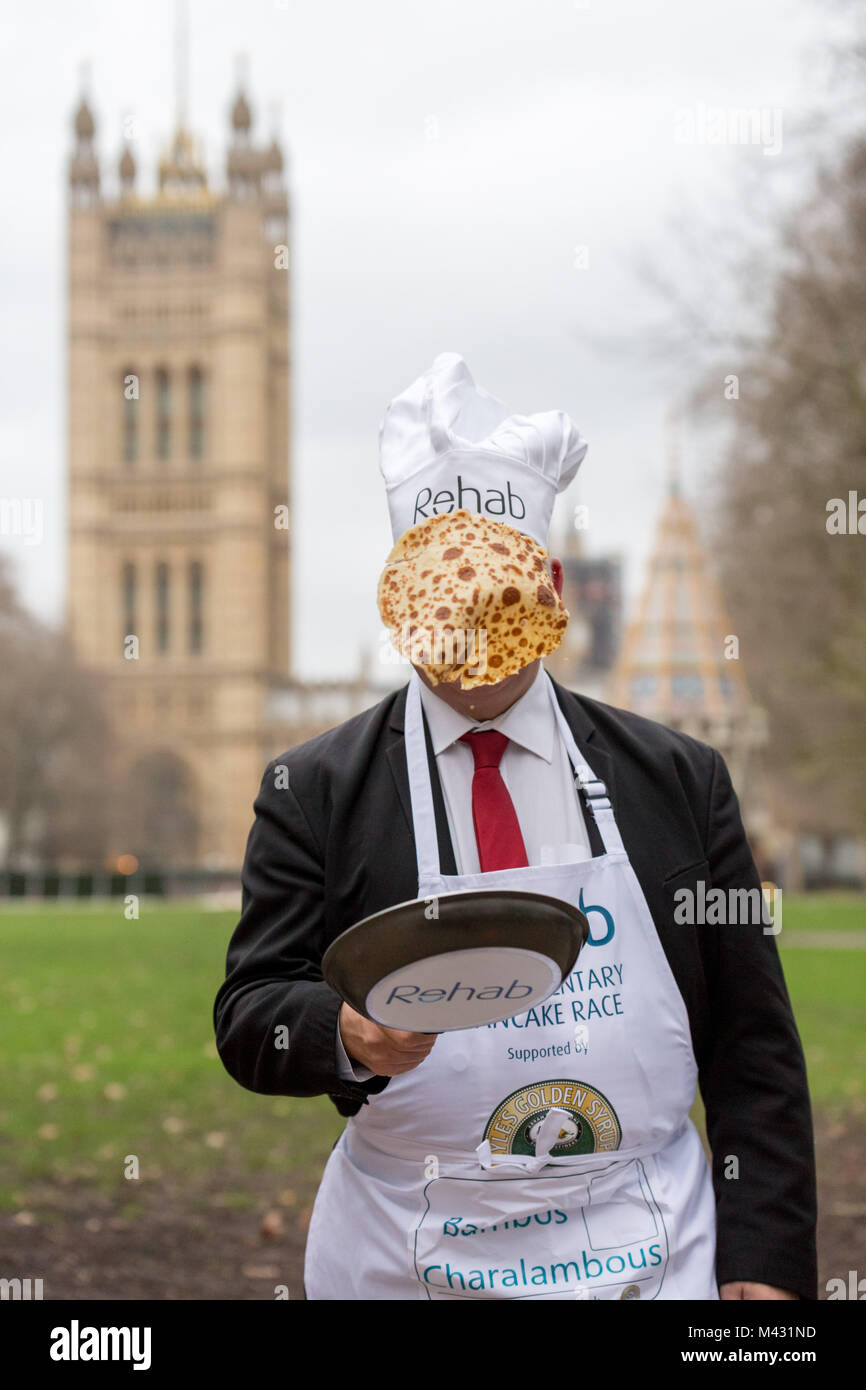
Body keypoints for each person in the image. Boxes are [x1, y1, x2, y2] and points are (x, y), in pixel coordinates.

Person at [213, 353, 817, 1301]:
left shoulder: (683, 780)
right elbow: (249, 1017)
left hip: (649, 1246)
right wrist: (343, 1032)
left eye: (495, 619)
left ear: (552, 588)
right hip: (409, 1251)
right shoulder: (314, 789)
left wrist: (768, 1264)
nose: (469, 659)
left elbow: (754, 1043)